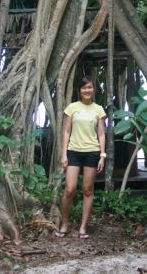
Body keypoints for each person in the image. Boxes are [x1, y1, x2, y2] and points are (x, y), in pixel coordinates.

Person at [55, 75, 106, 239]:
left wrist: (102, 155)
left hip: (92, 152)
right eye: (84, 88)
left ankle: (83, 227)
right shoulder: (72, 107)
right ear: (80, 90)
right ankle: (64, 223)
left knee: (87, 190)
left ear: (94, 89)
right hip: (74, 152)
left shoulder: (98, 109)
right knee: (69, 189)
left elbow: (101, 133)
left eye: (90, 87)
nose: (87, 90)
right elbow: (67, 131)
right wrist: (64, 154)